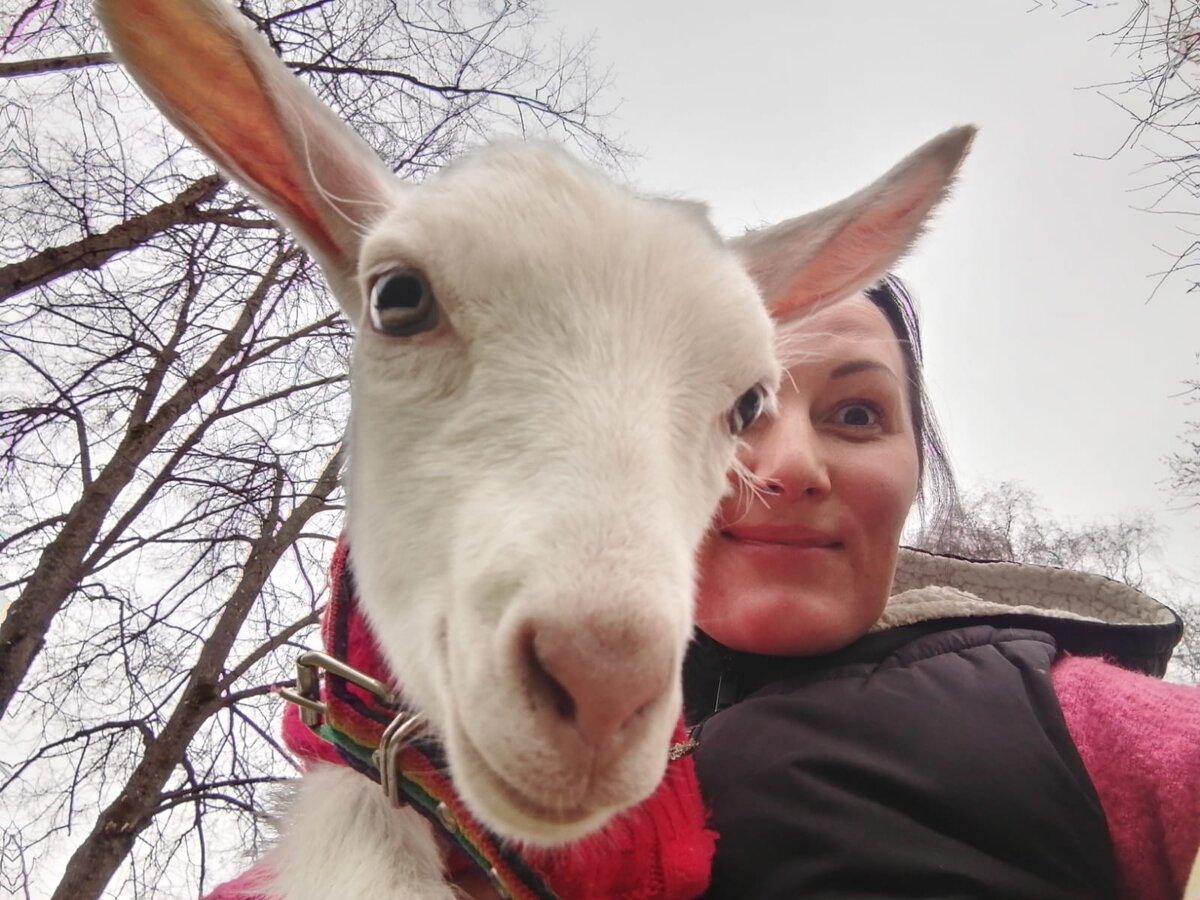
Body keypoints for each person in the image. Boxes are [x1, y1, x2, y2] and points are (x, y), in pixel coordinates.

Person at [683, 274, 1199, 899]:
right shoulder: (543, 721)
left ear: (914, 473)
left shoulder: (1062, 713)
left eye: (856, 414)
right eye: (737, 408)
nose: (792, 466)